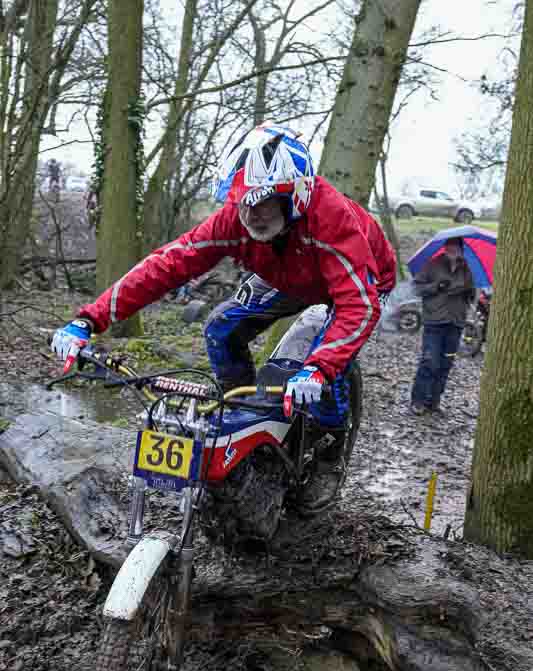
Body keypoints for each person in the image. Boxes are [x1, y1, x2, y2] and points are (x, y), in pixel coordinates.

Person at [51, 122, 397, 509]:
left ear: (294, 196)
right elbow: (166, 265)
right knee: (220, 327)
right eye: (243, 202)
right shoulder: (235, 221)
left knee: (328, 366)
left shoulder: (331, 220)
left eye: (263, 202)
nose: (251, 214)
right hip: (287, 273)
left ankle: (331, 449)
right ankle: (242, 415)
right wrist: (89, 319)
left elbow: (358, 305)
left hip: (356, 283)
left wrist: (319, 367)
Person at [410, 237, 475, 416]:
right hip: (434, 322)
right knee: (430, 361)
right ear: (445, 247)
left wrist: (469, 292)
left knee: (446, 363)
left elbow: (472, 296)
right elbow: (416, 288)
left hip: (456, 323)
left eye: (456, 246)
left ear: (461, 249)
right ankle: (418, 401)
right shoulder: (433, 265)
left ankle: (434, 402)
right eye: (449, 245)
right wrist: (436, 287)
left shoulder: (466, 268)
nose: (452, 249)